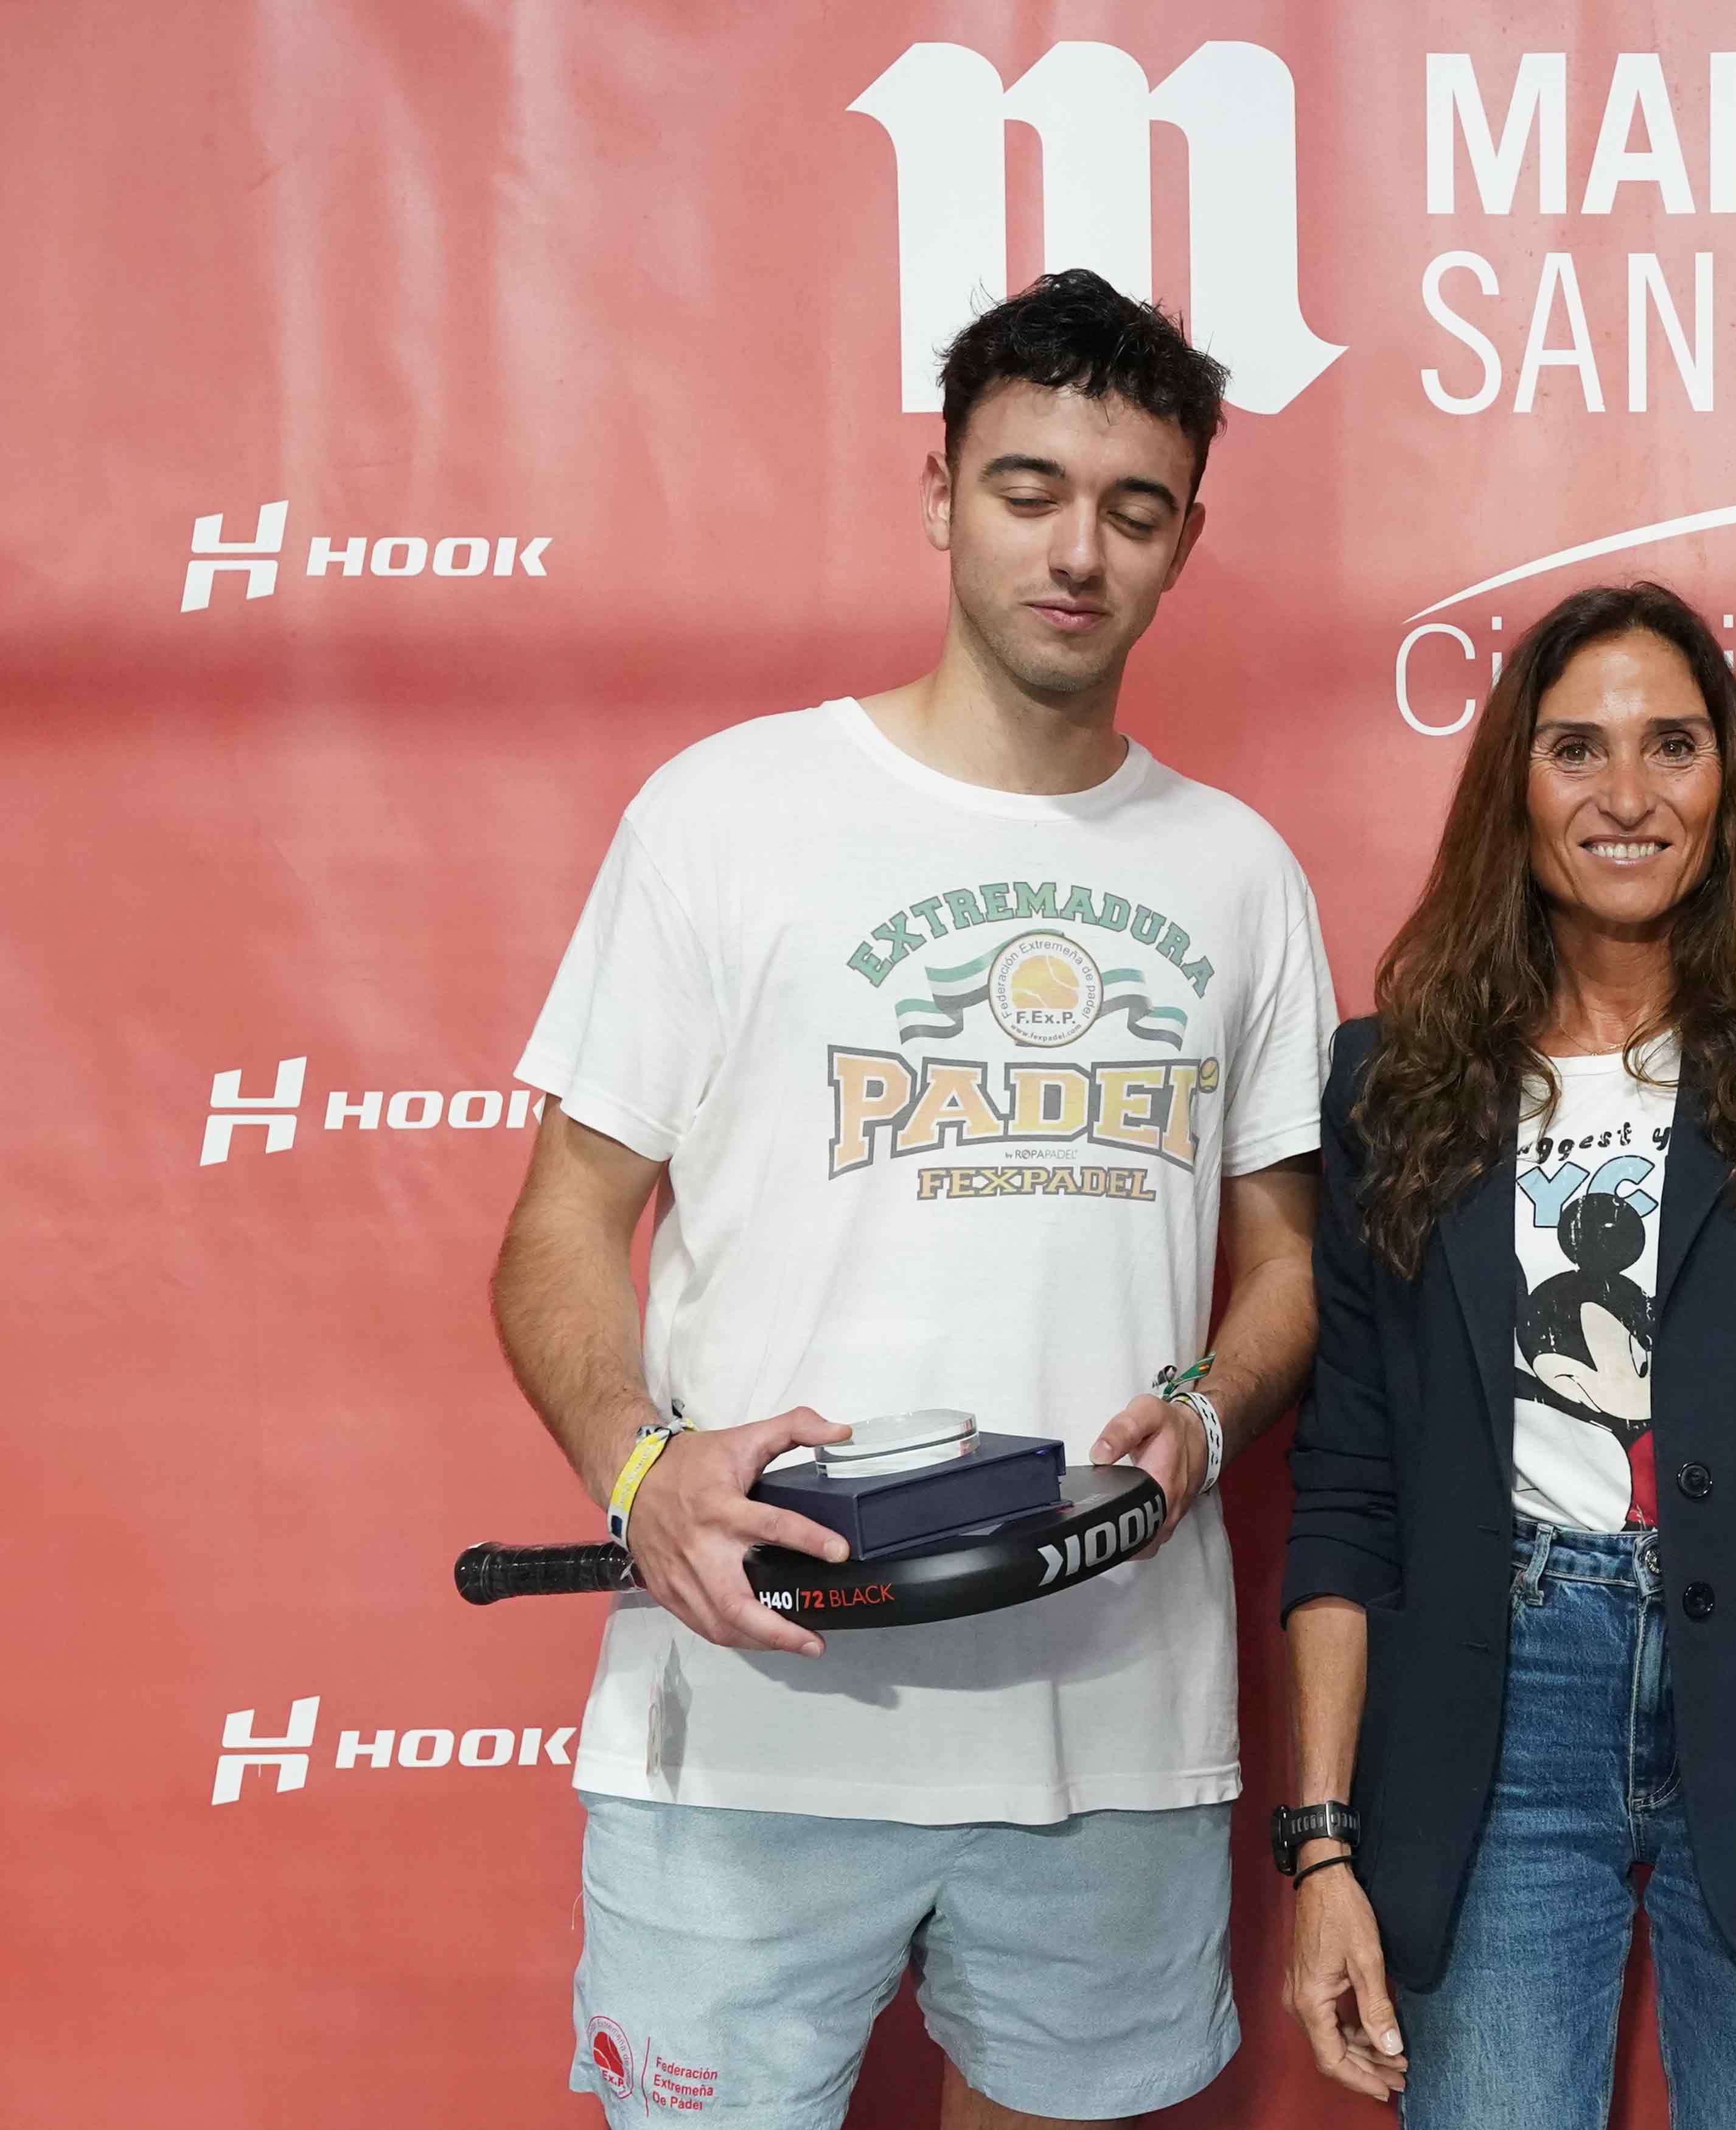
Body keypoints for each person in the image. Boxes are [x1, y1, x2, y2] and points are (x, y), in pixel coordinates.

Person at [490, 269, 1333, 2130]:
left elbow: (1287, 1258)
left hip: (1110, 1728)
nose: (1078, 550)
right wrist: (640, 1470)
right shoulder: (725, 813)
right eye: (1029, 490)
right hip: (748, 1727)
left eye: (1132, 508)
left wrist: (1209, 1408)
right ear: (940, 491)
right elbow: (559, 1222)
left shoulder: (1240, 873)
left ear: (1186, 538)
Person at [1278, 583, 1736, 2128]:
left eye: (1672, 744)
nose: (1627, 794)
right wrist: (1323, 1846)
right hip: (1494, 1720)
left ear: (1726, 781)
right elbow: (1347, 1480)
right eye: (1575, 749)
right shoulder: (1396, 1081)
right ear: (1513, 786)